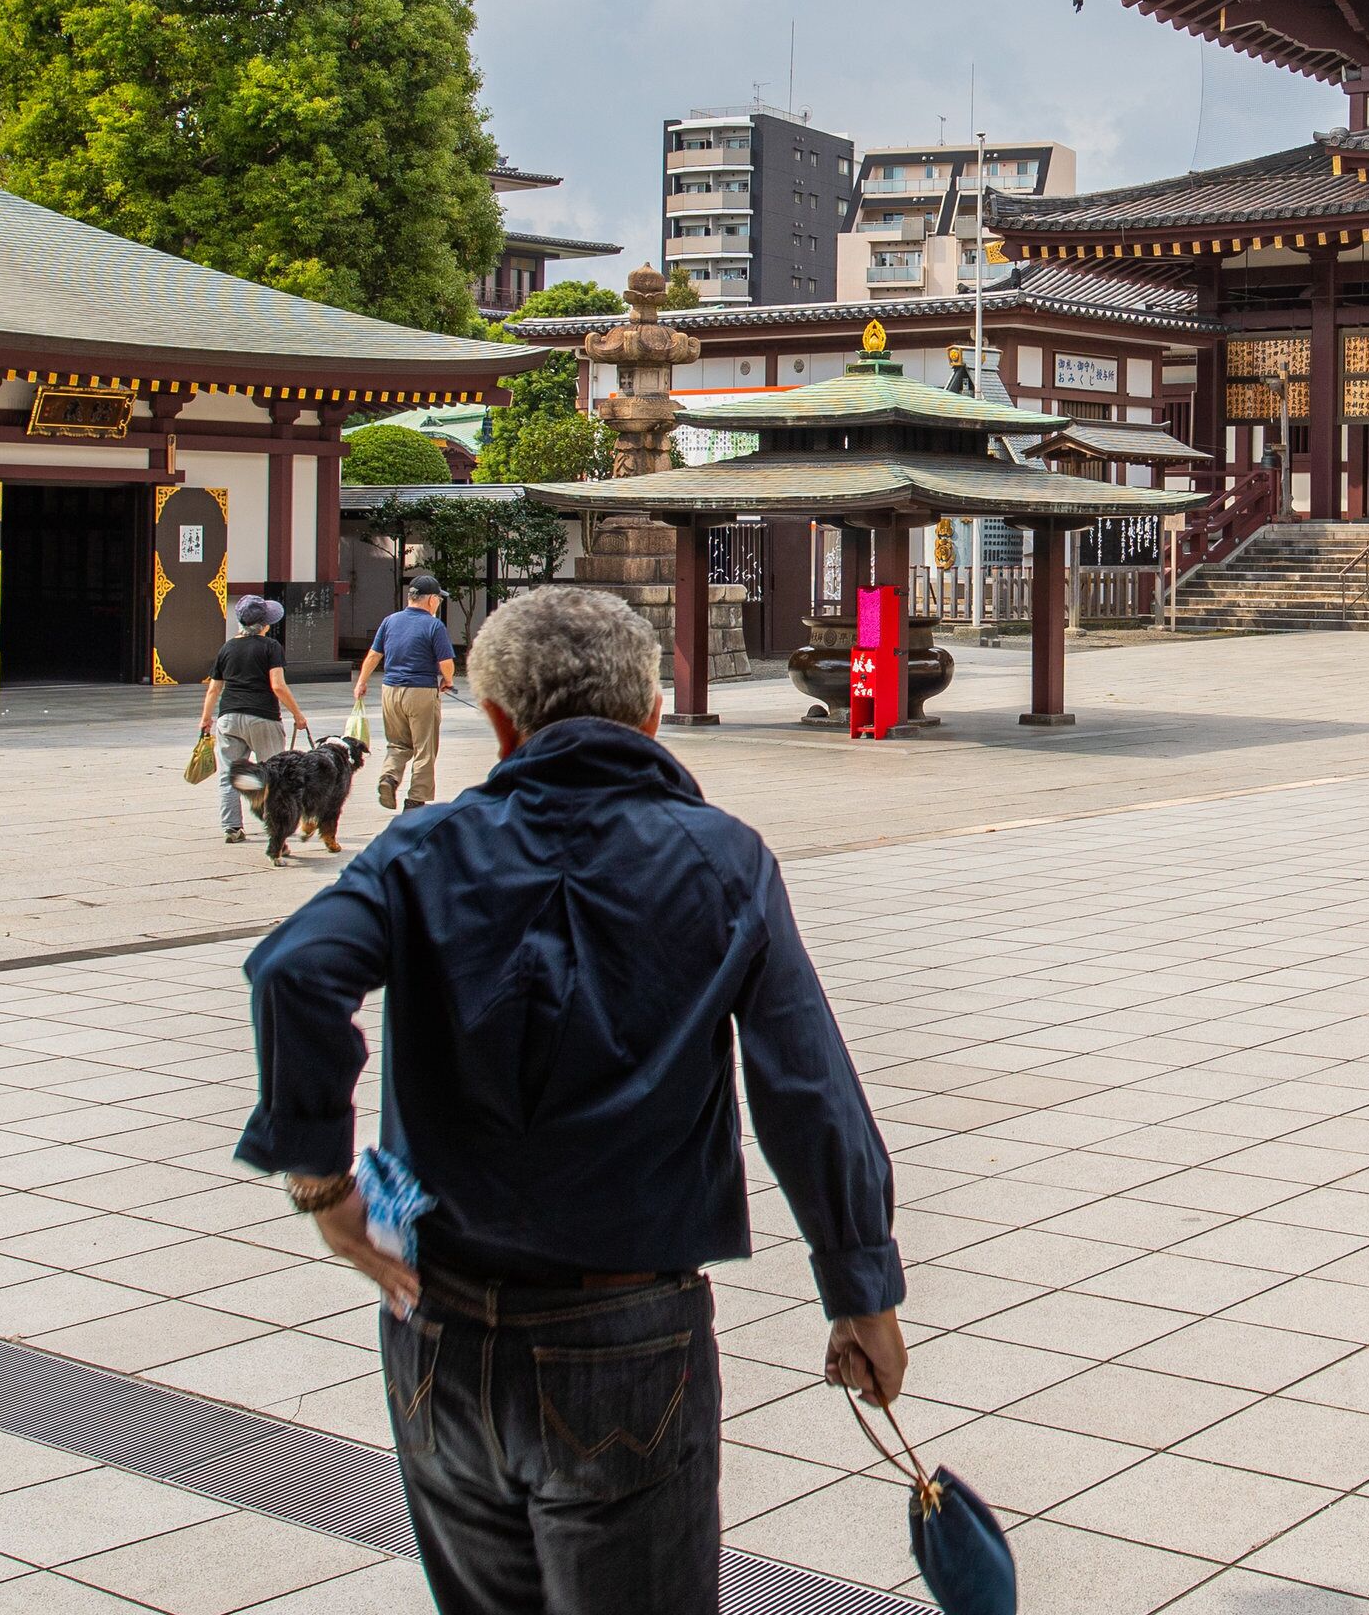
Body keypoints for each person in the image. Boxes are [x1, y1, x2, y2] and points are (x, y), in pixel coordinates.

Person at [237, 586, 904, 1614]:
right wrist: (859, 1284)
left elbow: (293, 971)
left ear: (498, 721)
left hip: (437, 1320)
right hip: (627, 1327)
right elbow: (805, 1084)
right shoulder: (723, 858)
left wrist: (324, 1184)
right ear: (648, 714)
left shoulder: (421, 852)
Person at [197, 595, 306, 846]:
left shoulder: (227, 648)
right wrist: (298, 715)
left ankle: (232, 827)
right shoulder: (271, 647)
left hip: (229, 717)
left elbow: (214, 689)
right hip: (263, 718)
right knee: (277, 776)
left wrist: (206, 718)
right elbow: (277, 686)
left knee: (229, 775)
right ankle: (276, 828)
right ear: (264, 625)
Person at [348, 571, 458, 812]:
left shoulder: (390, 621)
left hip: (390, 690)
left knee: (397, 744)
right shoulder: (434, 625)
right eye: (438, 599)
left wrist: (362, 682)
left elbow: (374, 655)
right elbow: (446, 662)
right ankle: (415, 799)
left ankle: (389, 778)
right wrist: (447, 681)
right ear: (431, 600)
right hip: (420, 692)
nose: (438, 603)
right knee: (424, 748)